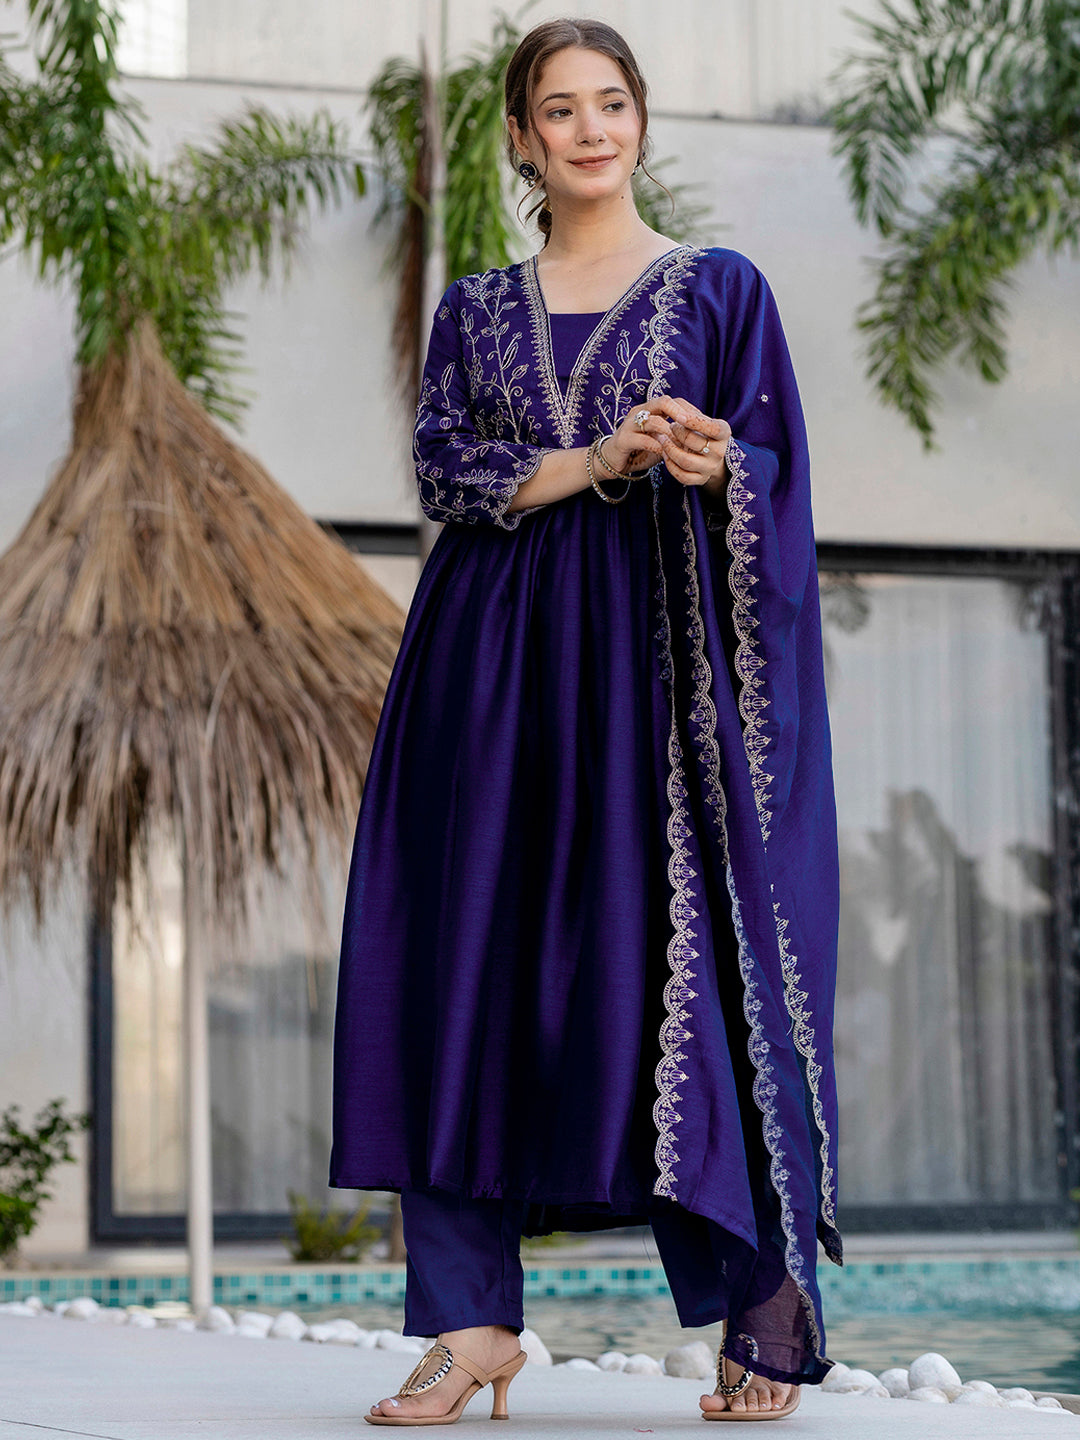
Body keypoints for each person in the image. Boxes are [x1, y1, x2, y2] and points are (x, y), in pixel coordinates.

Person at [330, 15, 842, 1427]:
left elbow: (779, 479)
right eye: (560, 110)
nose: (591, 129)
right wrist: (596, 456)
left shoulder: (718, 290)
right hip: (486, 671)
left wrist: (715, 460)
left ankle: (762, 1298)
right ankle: (471, 1323)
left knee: (664, 969)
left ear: (640, 119)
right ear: (522, 138)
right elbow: (443, 464)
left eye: (612, 103)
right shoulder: (479, 310)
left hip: (652, 676)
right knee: (462, 963)